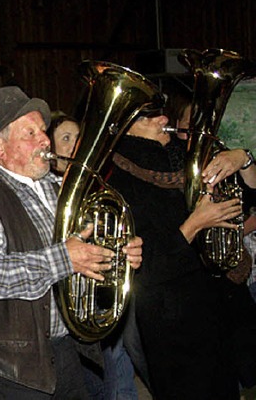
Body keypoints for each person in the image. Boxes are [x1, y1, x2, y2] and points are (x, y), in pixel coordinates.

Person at [0, 86, 143, 399]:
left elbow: (83, 251)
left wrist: (116, 253)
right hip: (8, 365)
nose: (45, 140)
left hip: (63, 347)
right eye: (30, 133)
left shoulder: (59, 191)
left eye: (43, 130)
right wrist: (64, 258)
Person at [107, 107, 252, 399]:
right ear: (124, 129)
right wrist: (195, 224)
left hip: (216, 305)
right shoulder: (117, 181)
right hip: (170, 322)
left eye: (161, 114)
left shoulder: (184, 162)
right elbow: (146, 270)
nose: (164, 120)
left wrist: (244, 158)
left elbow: (249, 199)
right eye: (148, 118)